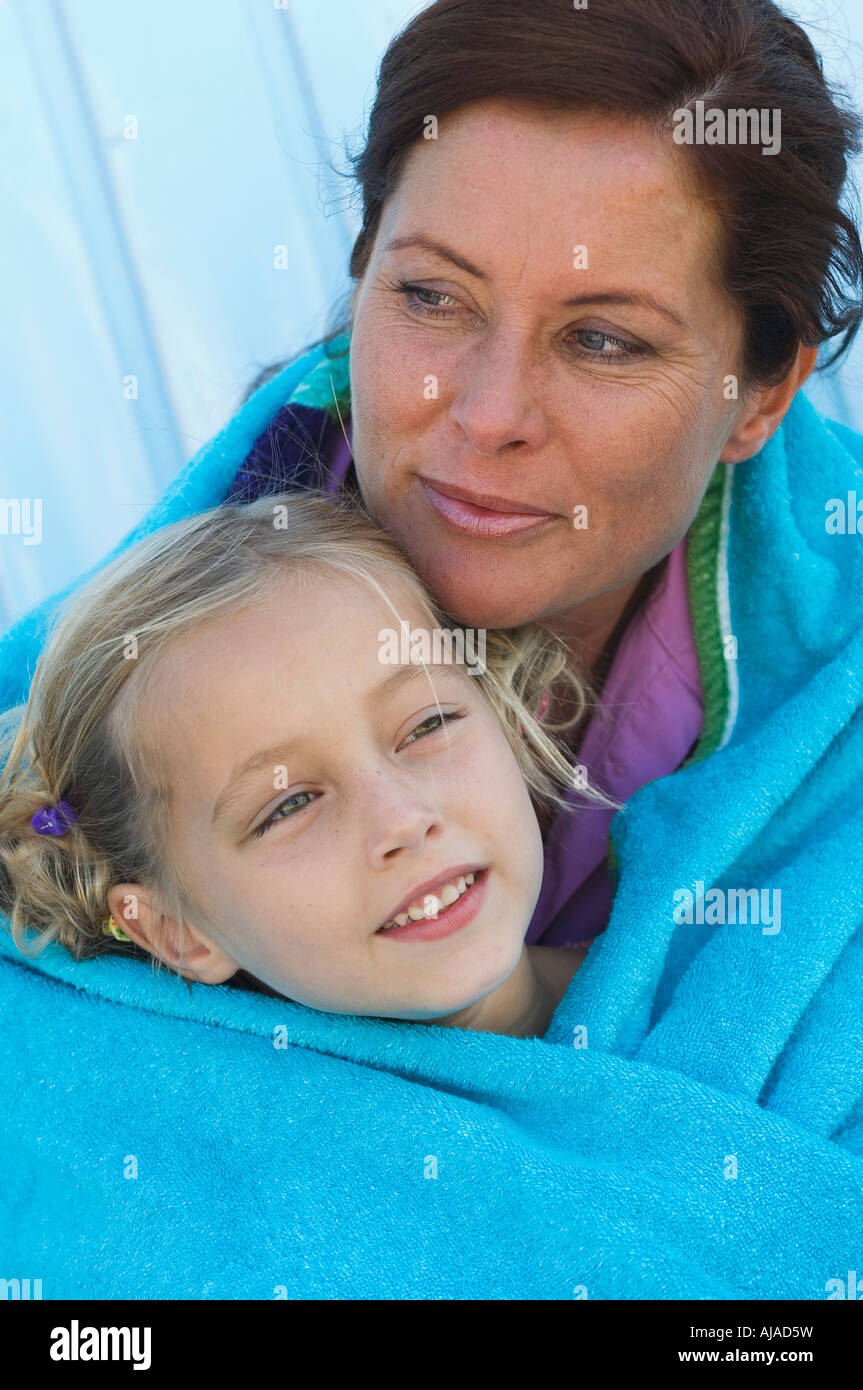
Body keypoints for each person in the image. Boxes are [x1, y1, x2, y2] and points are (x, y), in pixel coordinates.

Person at [225, 0, 863, 951]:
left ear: (761, 398)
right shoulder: (156, 671)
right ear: (365, 276)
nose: (488, 415)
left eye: (601, 341)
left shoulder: (833, 709)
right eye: (433, 295)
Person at [0, 494, 598, 1039]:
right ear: (175, 929)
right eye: (289, 804)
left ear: (505, 718)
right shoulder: (229, 1151)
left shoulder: (686, 966)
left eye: (427, 725)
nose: (403, 820)